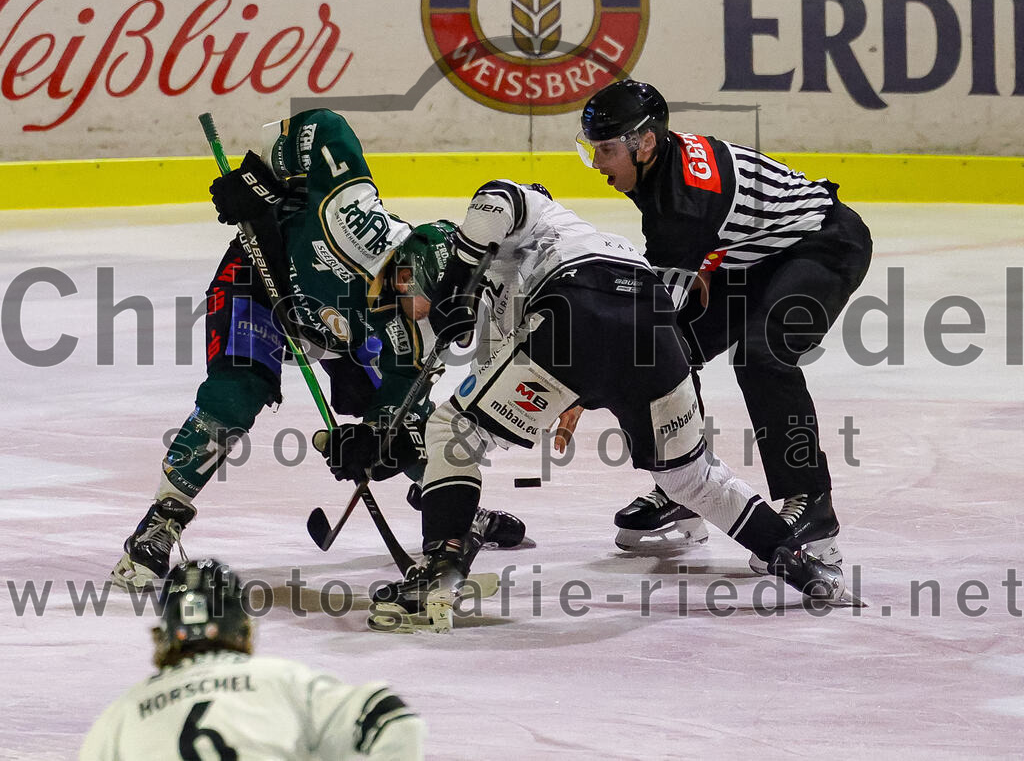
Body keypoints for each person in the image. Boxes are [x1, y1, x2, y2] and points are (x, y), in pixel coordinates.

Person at [322, 178, 847, 633]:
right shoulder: (513, 302)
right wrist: (387, 440)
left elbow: (498, 197)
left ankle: (441, 570)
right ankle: (800, 562)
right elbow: (498, 389)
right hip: (654, 331)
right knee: (690, 478)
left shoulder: (539, 216)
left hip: (579, 302)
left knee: (453, 431)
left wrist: (456, 286)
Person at [110, 110, 523, 591]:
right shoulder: (346, 221)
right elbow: (323, 125)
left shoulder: (424, 322)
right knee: (238, 391)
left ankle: (446, 503)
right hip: (259, 285)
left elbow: (401, 403)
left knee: (398, 421)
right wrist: (262, 181)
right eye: (425, 298)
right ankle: (162, 520)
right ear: (405, 271)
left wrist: (370, 441)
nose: (427, 313)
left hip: (335, 324)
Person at [575, 80, 873, 571]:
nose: (598, 164)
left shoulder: (683, 203)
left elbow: (652, 315)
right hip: (754, 253)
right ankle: (686, 485)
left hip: (824, 244)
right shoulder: (658, 168)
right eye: (592, 150)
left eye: (605, 150)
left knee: (762, 356)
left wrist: (581, 389)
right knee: (669, 350)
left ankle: (812, 506)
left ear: (644, 143)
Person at [81, 558, 425, 759]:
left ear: (164, 634)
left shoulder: (121, 716)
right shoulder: (282, 682)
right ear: (245, 627)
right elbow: (392, 717)